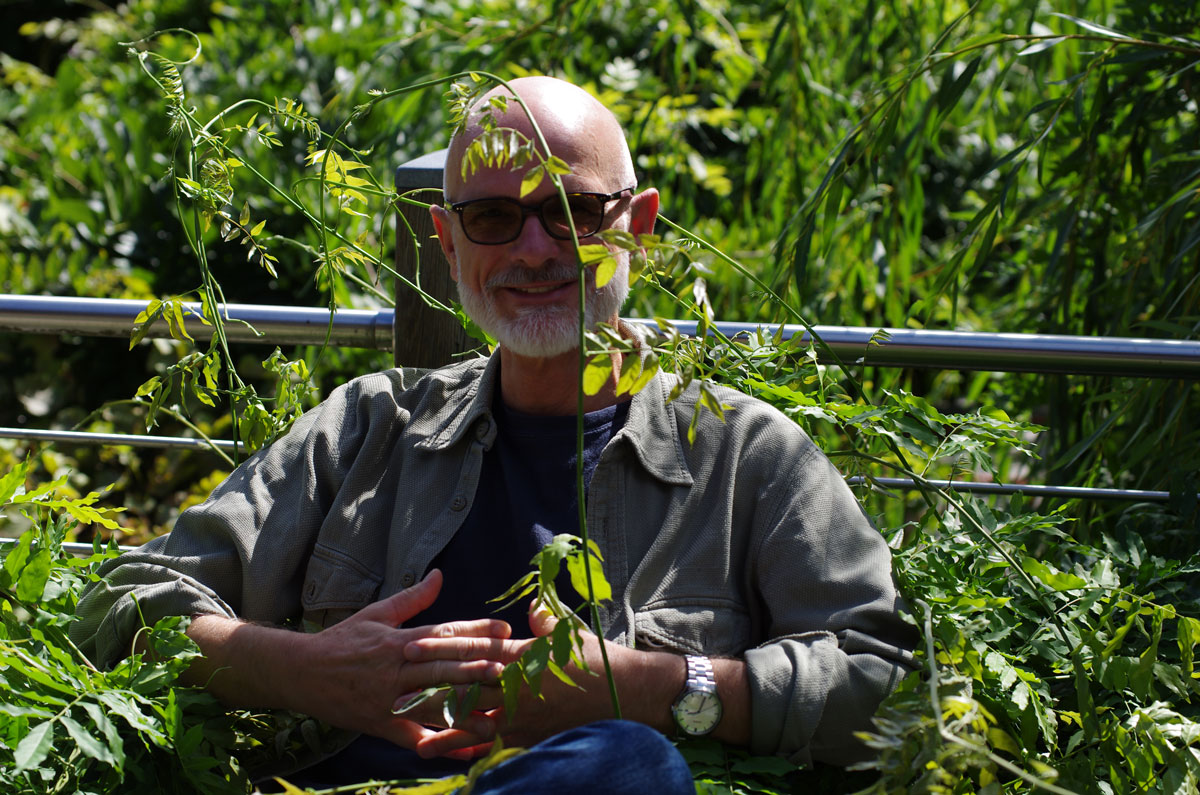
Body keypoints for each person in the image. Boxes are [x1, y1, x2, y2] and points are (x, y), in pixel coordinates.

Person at [72, 76, 914, 790]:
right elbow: (122, 603)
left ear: (640, 224)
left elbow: (892, 691)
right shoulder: (368, 428)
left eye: (572, 210)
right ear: (446, 242)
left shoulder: (748, 456)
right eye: (492, 218)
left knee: (628, 764)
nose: (535, 249)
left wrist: (657, 687)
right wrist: (310, 672)